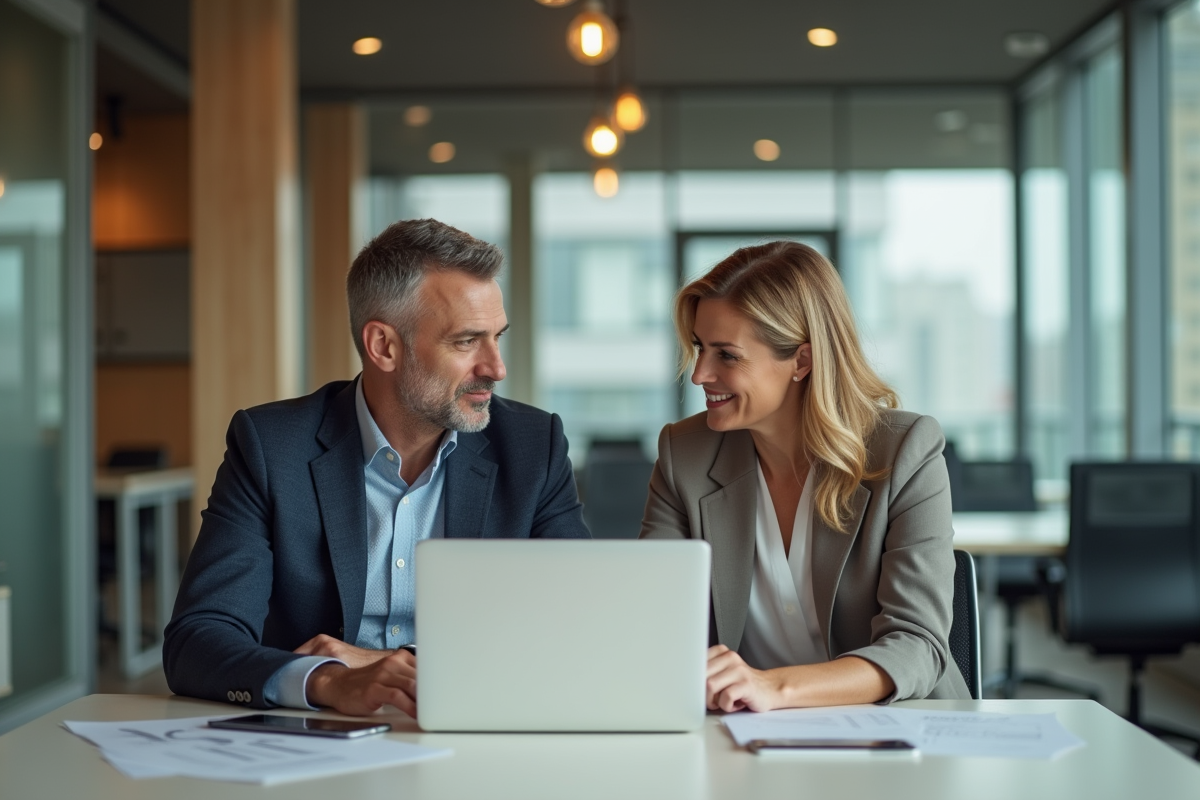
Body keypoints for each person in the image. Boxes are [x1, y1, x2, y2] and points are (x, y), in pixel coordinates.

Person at [164, 218, 590, 717]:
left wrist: (388, 663)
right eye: (466, 341)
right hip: (315, 742)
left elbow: (574, 629)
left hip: (475, 733)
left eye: (497, 337)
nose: (496, 367)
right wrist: (325, 683)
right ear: (383, 346)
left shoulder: (532, 447)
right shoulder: (271, 447)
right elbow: (197, 640)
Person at [640, 241, 969, 712]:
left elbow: (916, 645)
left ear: (802, 360)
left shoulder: (905, 451)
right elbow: (655, 621)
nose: (700, 375)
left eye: (726, 355)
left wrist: (773, 687)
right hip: (742, 735)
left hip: (894, 732)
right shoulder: (684, 454)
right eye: (699, 348)